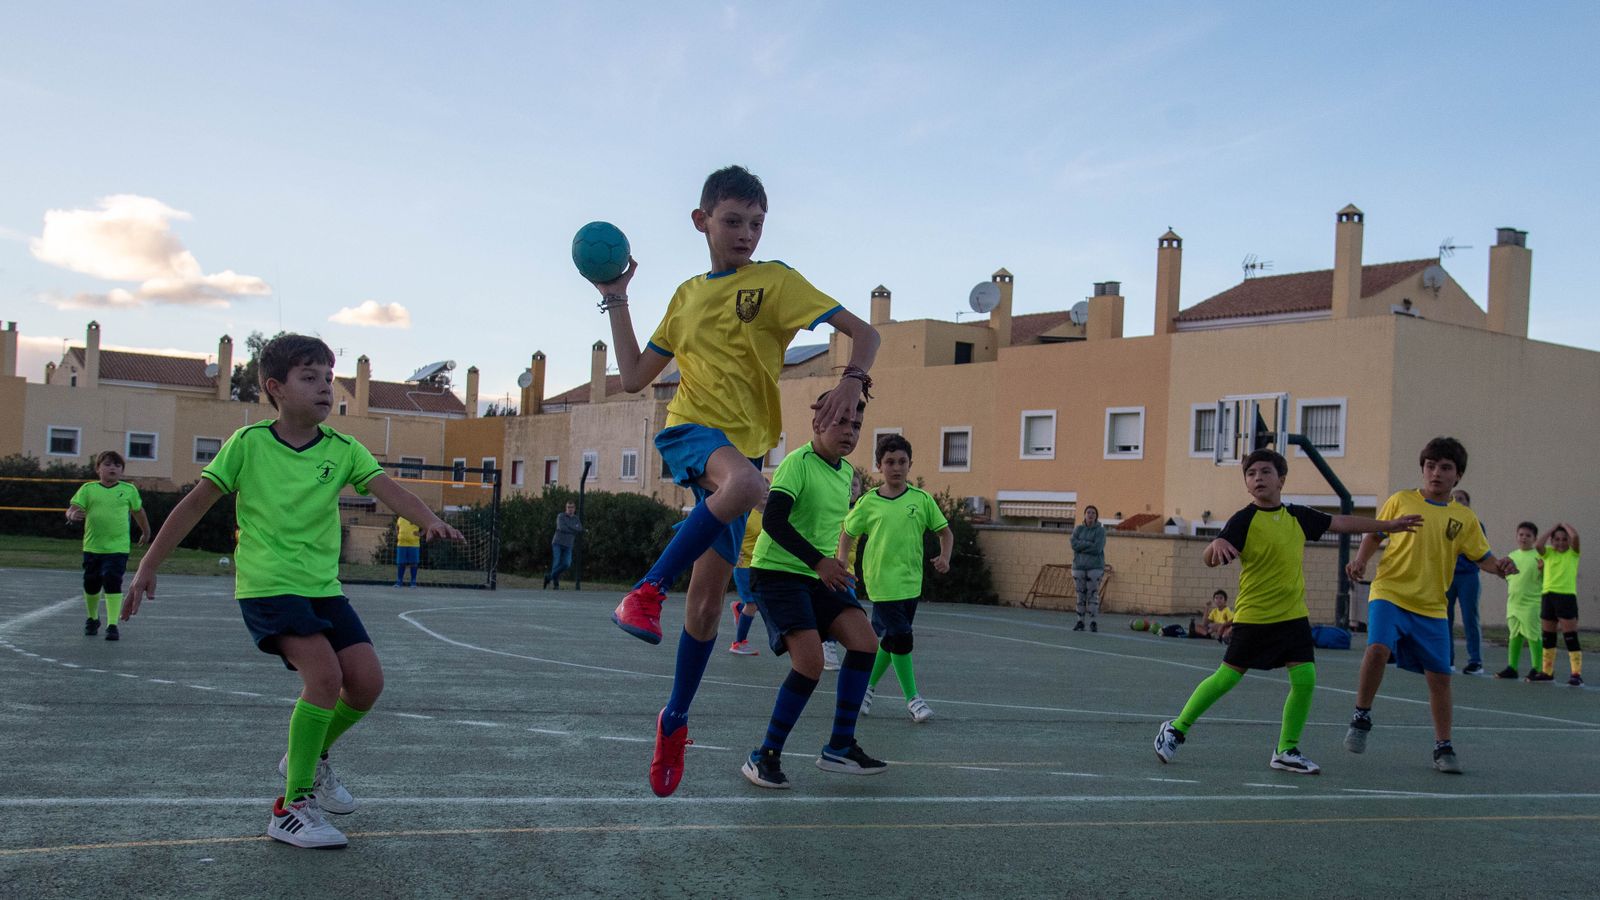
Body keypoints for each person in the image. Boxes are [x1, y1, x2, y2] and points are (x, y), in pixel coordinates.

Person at [590, 164, 880, 798]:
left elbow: (865, 332)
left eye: (756, 223)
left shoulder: (774, 282)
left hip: (738, 456)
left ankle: (673, 720)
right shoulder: (688, 296)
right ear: (702, 221)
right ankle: (643, 591)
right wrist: (616, 296)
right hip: (693, 431)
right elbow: (636, 375)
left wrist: (853, 378)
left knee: (706, 606)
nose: (746, 233)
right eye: (733, 220)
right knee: (748, 489)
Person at [122, 334, 464, 849]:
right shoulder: (249, 444)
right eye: (311, 378)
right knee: (324, 677)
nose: (326, 387)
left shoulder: (344, 449)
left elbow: (390, 490)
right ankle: (291, 807)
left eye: (329, 377)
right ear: (275, 388)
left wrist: (429, 518)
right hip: (268, 586)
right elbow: (194, 504)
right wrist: (148, 565)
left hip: (322, 588)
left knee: (366, 683)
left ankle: (307, 757)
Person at [1154, 449, 1420, 775]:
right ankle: (1176, 728)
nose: (1258, 478)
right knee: (1226, 679)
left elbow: (1341, 522)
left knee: (1305, 678)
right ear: (1247, 484)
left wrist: (1388, 525)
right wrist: (1213, 549)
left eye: (1266, 472)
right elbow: (1211, 555)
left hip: (1292, 616)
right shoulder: (1243, 519)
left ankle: (1286, 749)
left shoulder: (1298, 516)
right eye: (1251, 474)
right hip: (1255, 616)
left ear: (1281, 479)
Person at [740, 390, 886, 790]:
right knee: (810, 664)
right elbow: (773, 521)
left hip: (819, 575)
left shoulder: (845, 473)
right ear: (818, 422)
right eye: (841, 422)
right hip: (777, 574)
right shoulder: (796, 464)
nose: (849, 432)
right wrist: (820, 563)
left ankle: (839, 746)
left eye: (856, 425)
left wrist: (833, 564)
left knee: (865, 643)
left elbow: (832, 529)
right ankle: (764, 756)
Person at [1343, 437, 1516, 774]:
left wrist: (1501, 567)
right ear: (1423, 469)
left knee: (1440, 678)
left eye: (1445, 467)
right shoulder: (1402, 500)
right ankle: (1361, 715)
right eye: (1431, 466)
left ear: (1458, 476)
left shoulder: (1464, 518)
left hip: (1432, 607)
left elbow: (1483, 558)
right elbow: (1375, 534)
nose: (1436, 472)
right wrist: (1361, 561)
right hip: (1390, 592)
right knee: (1377, 648)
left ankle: (1443, 746)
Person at [840, 434, 952, 724]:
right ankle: (913, 699)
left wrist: (944, 557)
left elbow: (945, 532)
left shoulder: (921, 500)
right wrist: (842, 563)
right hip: (881, 582)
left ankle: (865, 687)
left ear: (910, 464)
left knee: (892, 640)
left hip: (911, 582)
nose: (896, 467)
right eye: (889, 462)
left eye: (902, 461)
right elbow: (847, 534)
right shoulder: (868, 502)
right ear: (879, 466)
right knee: (902, 637)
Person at [66, 449, 151, 641]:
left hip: (118, 548)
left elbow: (139, 512)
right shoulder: (88, 489)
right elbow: (73, 509)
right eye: (107, 464)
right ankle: (92, 618)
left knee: (112, 580)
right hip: (93, 547)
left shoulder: (128, 490)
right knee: (91, 583)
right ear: (98, 469)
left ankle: (113, 624)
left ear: (122, 470)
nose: (112, 468)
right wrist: (72, 515)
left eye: (117, 465)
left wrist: (145, 531)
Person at [1529, 522, 1583, 685]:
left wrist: (1564, 526)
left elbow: (1575, 537)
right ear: (1552, 541)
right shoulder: (1548, 553)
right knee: (1548, 637)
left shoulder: (1573, 553)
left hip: (1566, 597)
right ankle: (1547, 671)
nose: (1560, 542)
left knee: (1570, 637)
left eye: (1564, 539)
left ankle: (1576, 674)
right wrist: (1552, 529)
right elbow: (1538, 544)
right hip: (1548, 596)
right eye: (1557, 539)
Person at [1444, 489, 1486, 674]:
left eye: (1461, 499)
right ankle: (1448, 659)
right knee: (1445, 618)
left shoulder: (1474, 524)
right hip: (1448, 576)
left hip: (1468, 576)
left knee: (1470, 618)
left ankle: (1475, 661)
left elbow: (1479, 551)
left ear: (1468, 503)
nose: (1457, 501)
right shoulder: (1447, 523)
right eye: (1454, 499)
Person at [1497, 521, 1545, 679]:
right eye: (1521, 535)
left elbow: (1546, 579)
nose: (1524, 538)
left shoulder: (1539, 556)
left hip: (1532, 603)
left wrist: (1543, 570)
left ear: (1535, 538)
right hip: (1514, 603)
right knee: (1514, 634)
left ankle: (1537, 668)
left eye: (1528, 535)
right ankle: (1512, 667)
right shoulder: (1512, 556)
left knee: (1533, 635)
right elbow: (1508, 577)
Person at [728, 483, 768, 656]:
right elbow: (731, 533)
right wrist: (734, 553)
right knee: (753, 604)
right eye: (763, 489)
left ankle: (739, 609)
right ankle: (738, 643)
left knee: (758, 603)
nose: (767, 493)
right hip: (744, 566)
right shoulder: (746, 513)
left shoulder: (771, 513)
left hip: (762, 566)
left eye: (769, 489)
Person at [1070, 505, 1106, 632]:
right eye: (1088, 512)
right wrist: (1089, 544)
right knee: (1080, 595)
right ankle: (1080, 621)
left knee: (1093, 595)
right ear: (1084, 515)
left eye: (1093, 513)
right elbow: (1074, 544)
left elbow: (1097, 548)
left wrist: (1082, 545)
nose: (1090, 515)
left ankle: (1093, 622)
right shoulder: (1078, 529)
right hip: (1078, 567)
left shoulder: (1100, 531)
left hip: (1095, 567)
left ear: (1096, 516)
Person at [543, 501, 582, 589]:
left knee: (566, 563)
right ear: (566, 508)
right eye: (568, 507)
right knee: (556, 562)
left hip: (568, 545)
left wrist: (569, 527)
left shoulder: (576, 519)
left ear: (574, 509)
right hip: (558, 543)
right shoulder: (561, 516)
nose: (570, 509)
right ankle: (556, 584)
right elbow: (561, 527)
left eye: (572, 507)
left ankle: (548, 577)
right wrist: (573, 529)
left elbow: (579, 529)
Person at [394, 515, 421, 587]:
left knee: (414, 563)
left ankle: (413, 582)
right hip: (401, 544)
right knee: (401, 563)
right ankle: (399, 581)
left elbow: (426, 527)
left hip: (414, 544)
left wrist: (421, 534)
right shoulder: (400, 518)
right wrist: (398, 535)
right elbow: (397, 527)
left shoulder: (417, 517)